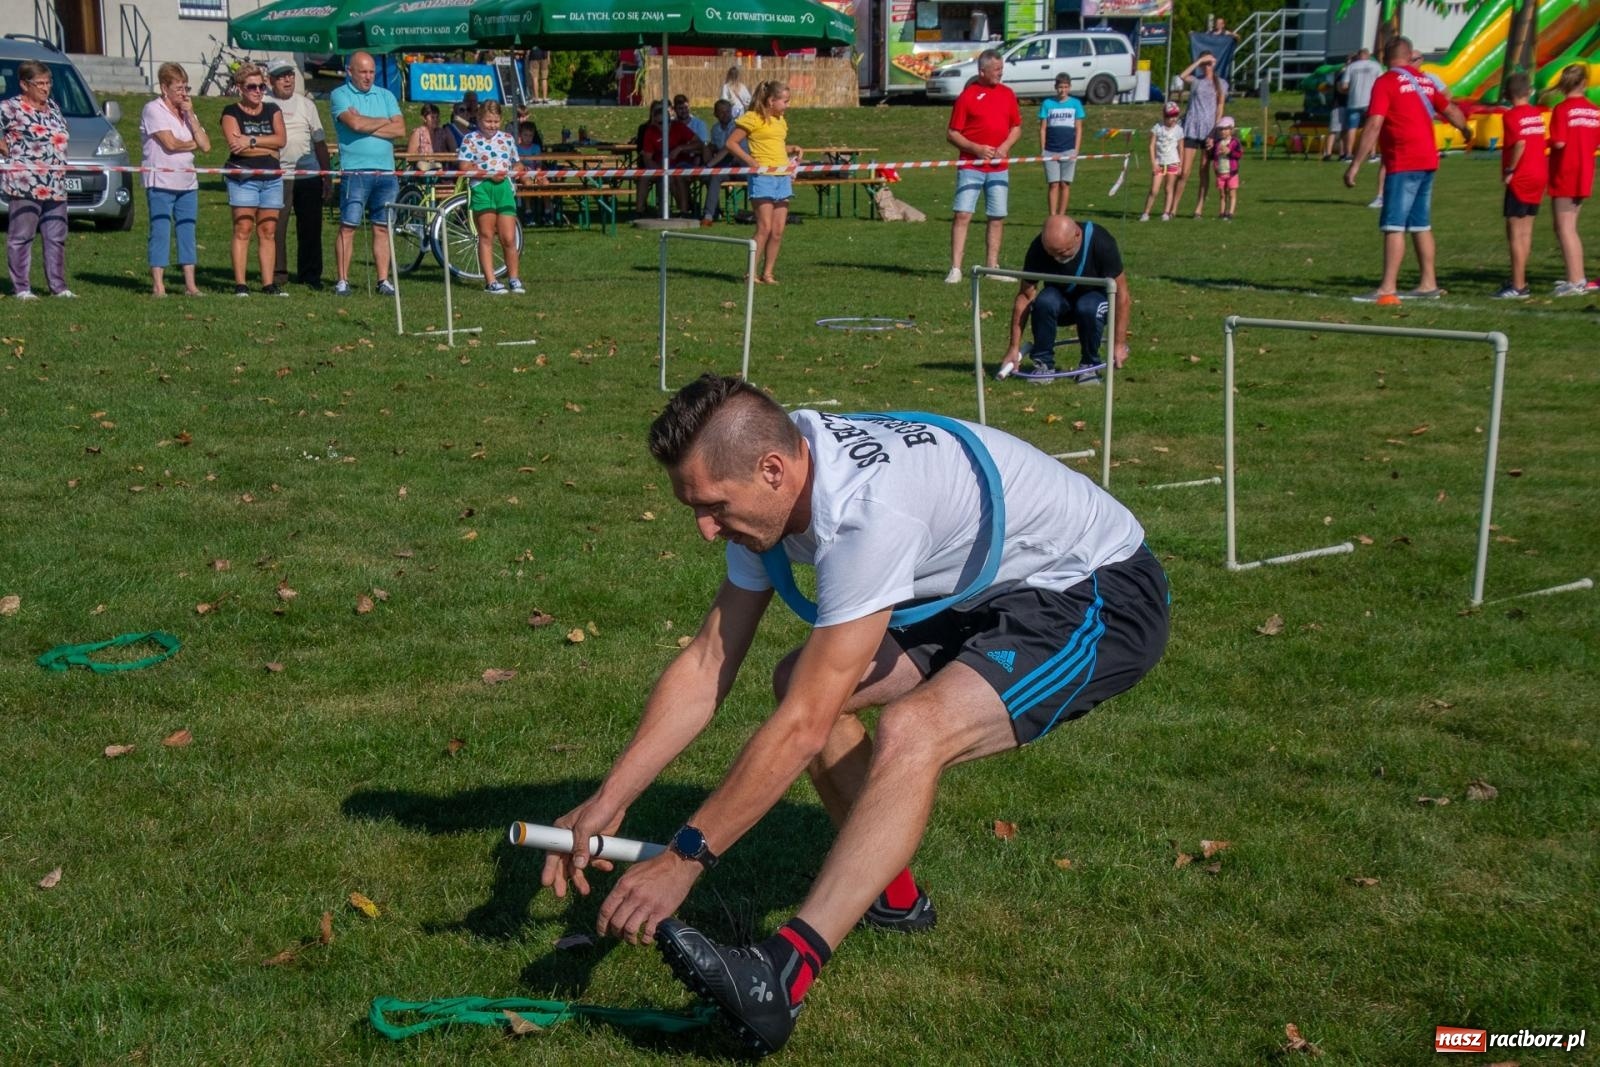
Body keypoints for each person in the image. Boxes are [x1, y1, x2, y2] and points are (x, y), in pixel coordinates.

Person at [538, 373, 1169, 1057]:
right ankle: (894, 898)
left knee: (913, 727)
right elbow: (707, 660)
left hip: (1092, 588)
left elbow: (806, 726)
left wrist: (684, 857)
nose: (705, 528)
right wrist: (613, 795)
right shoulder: (774, 479)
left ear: (773, 470)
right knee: (796, 680)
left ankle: (784, 974)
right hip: (976, 583)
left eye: (713, 506)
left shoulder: (869, 515)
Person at [1342, 36, 1470, 305]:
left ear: (1384, 56)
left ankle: (1387, 287)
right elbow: (1452, 110)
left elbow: (1374, 124)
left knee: (1393, 225)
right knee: (1421, 224)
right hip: (1427, 160)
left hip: (1403, 160)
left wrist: (1355, 164)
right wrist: (1466, 130)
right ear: (1410, 54)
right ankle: (1428, 283)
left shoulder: (1386, 82)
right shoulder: (1425, 81)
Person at [996, 214, 1132, 381]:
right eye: (1052, 254)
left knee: (1088, 307)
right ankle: (1043, 365)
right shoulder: (1039, 247)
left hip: (1095, 300)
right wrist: (1013, 347)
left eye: (1063, 252)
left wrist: (1118, 344)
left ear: (1077, 235)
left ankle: (1089, 366)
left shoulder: (1101, 242)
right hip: (1061, 299)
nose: (1057, 258)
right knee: (1044, 302)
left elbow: (1122, 295)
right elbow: (1025, 296)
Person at [330, 51, 405, 297]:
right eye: (362, 71)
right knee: (349, 226)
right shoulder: (339, 94)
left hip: (386, 172)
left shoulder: (386, 95)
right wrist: (383, 121)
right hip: (356, 171)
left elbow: (400, 129)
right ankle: (343, 280)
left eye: (371, 71)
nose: (368, 76)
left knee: (382, 227)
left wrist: (366, 121)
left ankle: (383, 280)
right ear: (350, 71)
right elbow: (355, 125)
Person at [944, 50, 1022, 284]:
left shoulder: (1008, 94)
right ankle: (956, 268)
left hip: (999, 168)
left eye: (1001, 68)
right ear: (982, 71)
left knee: (996, 216)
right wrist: (976, 149)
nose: (1001, 72)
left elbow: (1016, 127)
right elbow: (952, 133)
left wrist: (1006, 146)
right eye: (996, 69)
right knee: (963, 214)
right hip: (971, 166)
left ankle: (992, 267)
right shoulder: (967, 96)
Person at [2, 59, 74, 299]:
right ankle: (21, 287)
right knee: (21, 237)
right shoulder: (10, 108)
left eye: (48, 82)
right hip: (25, 183)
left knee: (56, 236)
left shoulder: (52, 107)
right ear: (24, 84)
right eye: (40, 83)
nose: (45, 88)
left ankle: (58, 286)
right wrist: (5, 148)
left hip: (55, 183)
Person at [140, 62, 209, 297]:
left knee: (187, 230)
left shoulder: (188, 112)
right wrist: (193, 144)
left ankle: (190, 284)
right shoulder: (153, 109)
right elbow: (170, 144)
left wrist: (190, 114)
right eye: (178, 88)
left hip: (188, 182)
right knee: (160, 230)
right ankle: (158, 285)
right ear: (164, 88)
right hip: (160, 181)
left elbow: (207, 146)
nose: (183, 93)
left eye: (185, 87)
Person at [220, 64, 286, 297]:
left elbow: (281, 140)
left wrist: (251, 141)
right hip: (244, 177)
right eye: (252, 87)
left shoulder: (272, 109)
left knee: (268, 230)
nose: (258, 91)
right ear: (240, 88)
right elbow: (236, 146)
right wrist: (264, 147)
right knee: (243, 227)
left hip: (271, 178)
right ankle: (241, 284)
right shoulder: (231, 112)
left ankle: (268, 284)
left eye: (261, 86)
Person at [726, 81, 801, 285]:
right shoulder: (752, 118)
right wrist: (750, 161)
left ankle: (768, 273)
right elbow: (731, 143)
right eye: (785, 101)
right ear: (771, 101)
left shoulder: (780, 120)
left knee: (778, 230)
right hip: (763, 178)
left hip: (782, 177)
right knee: (764, 227)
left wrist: (791, 149)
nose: (787, 105)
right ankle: (750, 273)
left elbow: (775, 145)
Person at [268, 59, 331, 290]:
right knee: (276, 228)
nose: (287, 79)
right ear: (271, 80)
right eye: (281, 76)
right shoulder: (264, 103)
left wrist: (326, 177)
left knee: (311, 228)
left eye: (290, 75)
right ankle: (277, 274)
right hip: (278, 176)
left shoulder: (307, 105)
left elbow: (320, 143)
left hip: (309, 175)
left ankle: (311, 275)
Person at [457, 101, 525, 296]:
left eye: (496, 121)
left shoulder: (507, 138)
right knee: (486, 235)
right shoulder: (470, 139)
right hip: (482, 188)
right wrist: (488, 174)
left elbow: (517, 163)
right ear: (479, 120)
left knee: (509, 237)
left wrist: (518, 170)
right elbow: (464, 167)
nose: (492, 125)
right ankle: (491, 281)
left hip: (504, 188)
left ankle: (514, 278)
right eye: (488, 121)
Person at [1546, 63, 1599, 297]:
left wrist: (1542, 143)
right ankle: (1576, 275)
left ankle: (1576, 280)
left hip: (1565, 170)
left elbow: (1558, 141)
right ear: (1584, 83)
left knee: (1565, 228)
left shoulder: (1562, 109)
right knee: (1569, 227)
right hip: (1585, 170)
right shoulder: (1594, 109)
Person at [1494, 72, 1546, 300]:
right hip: (1539, 174)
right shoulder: (1536, 114)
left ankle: (1518, 285)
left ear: (1507, 94)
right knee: (1527, 231)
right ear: (1528, 92)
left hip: (1522, 176)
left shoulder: (1511, 116)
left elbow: (1520, 144)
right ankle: (1520, 279)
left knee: (1515, 233)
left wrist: (1510, 170)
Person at [1171, 52, 1227, 219]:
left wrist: (1214, 132)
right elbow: (1182, 76)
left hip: (1209, 130)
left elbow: (1220, 107)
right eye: (1205, 63)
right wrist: (1200, 61)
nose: (1207, 66)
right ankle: (1173, 208)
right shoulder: (1197, 81)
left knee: (1203, 170)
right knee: (1184, 171)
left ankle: (1199, 209)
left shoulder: (1221, 84)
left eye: (1210, 63)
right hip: (1192, 128)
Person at [640, 98, 704, 218]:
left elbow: (699, 143)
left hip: (681, 164)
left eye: (666, 122)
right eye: (659, 123)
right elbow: (647, 158)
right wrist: (658, 169)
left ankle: (684, 210)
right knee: (646, 177)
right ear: (654, 122)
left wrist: (680, 148)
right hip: (661, 166)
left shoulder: (679, 127)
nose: (662, 126)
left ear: (670, 120)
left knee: (677, 176)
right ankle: (639, 211)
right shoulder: (650, 131)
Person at [1038, 73, 1085, 216]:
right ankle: (1052, 216)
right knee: (1053, 184)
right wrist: (1043, 149)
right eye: (1060, 87)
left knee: (1065, 184)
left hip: (1068, 149)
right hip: (1050, 150)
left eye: (1065, 87)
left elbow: (1078, 128)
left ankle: (1062, 215)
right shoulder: (1047, 104)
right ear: (1055, 87)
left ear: (1069, 87)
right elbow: (1043, 128)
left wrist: (1076, 150)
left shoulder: (1076, 104)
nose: (1062, 90)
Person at [1140, 102, 1183, 222]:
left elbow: (1180, 148)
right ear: (1164, 116)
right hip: (1159, 163)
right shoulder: (1157, 128)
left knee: (1169, 189)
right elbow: (1151, 145)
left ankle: (1166, 213)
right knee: (1154, 190)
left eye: (1175, 116)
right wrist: (1153, 162)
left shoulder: (1179, 130)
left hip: (1173, 162)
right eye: (1170, 116)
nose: (1173, 119)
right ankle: (1146, 213)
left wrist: (1180, 164)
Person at [1340, 48, 1384, 161]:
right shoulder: (1375, 66)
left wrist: (1350, 90)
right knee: (1371, 128)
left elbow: (1344, 86)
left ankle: (1349, 154)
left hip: (1354, 101)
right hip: (1370, 101)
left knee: (1352, 128)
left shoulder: (1351, 67)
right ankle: (1372, 153)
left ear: (1359, 56)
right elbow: (1382, 81)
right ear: (1368, 55)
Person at [700, 99, 738, 227]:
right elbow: (715, 148)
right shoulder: (715, 129)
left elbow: (727, 149)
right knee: (705, 176)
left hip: (739, 165)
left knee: (714, 176)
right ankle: (715, 210)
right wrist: (707, 148)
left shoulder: (737, 127)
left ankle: (708, 216)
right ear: (715, 114)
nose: (725, 114)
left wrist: (709, 165)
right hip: (722, 165)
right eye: (721, 112)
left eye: (727, 111)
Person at [1211, 116, 1243, 220]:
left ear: (1231, 130)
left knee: (1231, 193)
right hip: (1221, 172)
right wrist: (1215, 165)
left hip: (1232, 172)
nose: (1223, 131)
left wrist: (1229, 152)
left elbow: (1239, 155)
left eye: (1226, 129)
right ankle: (1222, 212)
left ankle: (1230, 213)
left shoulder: (1235, 142)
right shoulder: (1217, 143)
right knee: (1222, 193)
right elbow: (1215, 156)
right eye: (1221, 129)